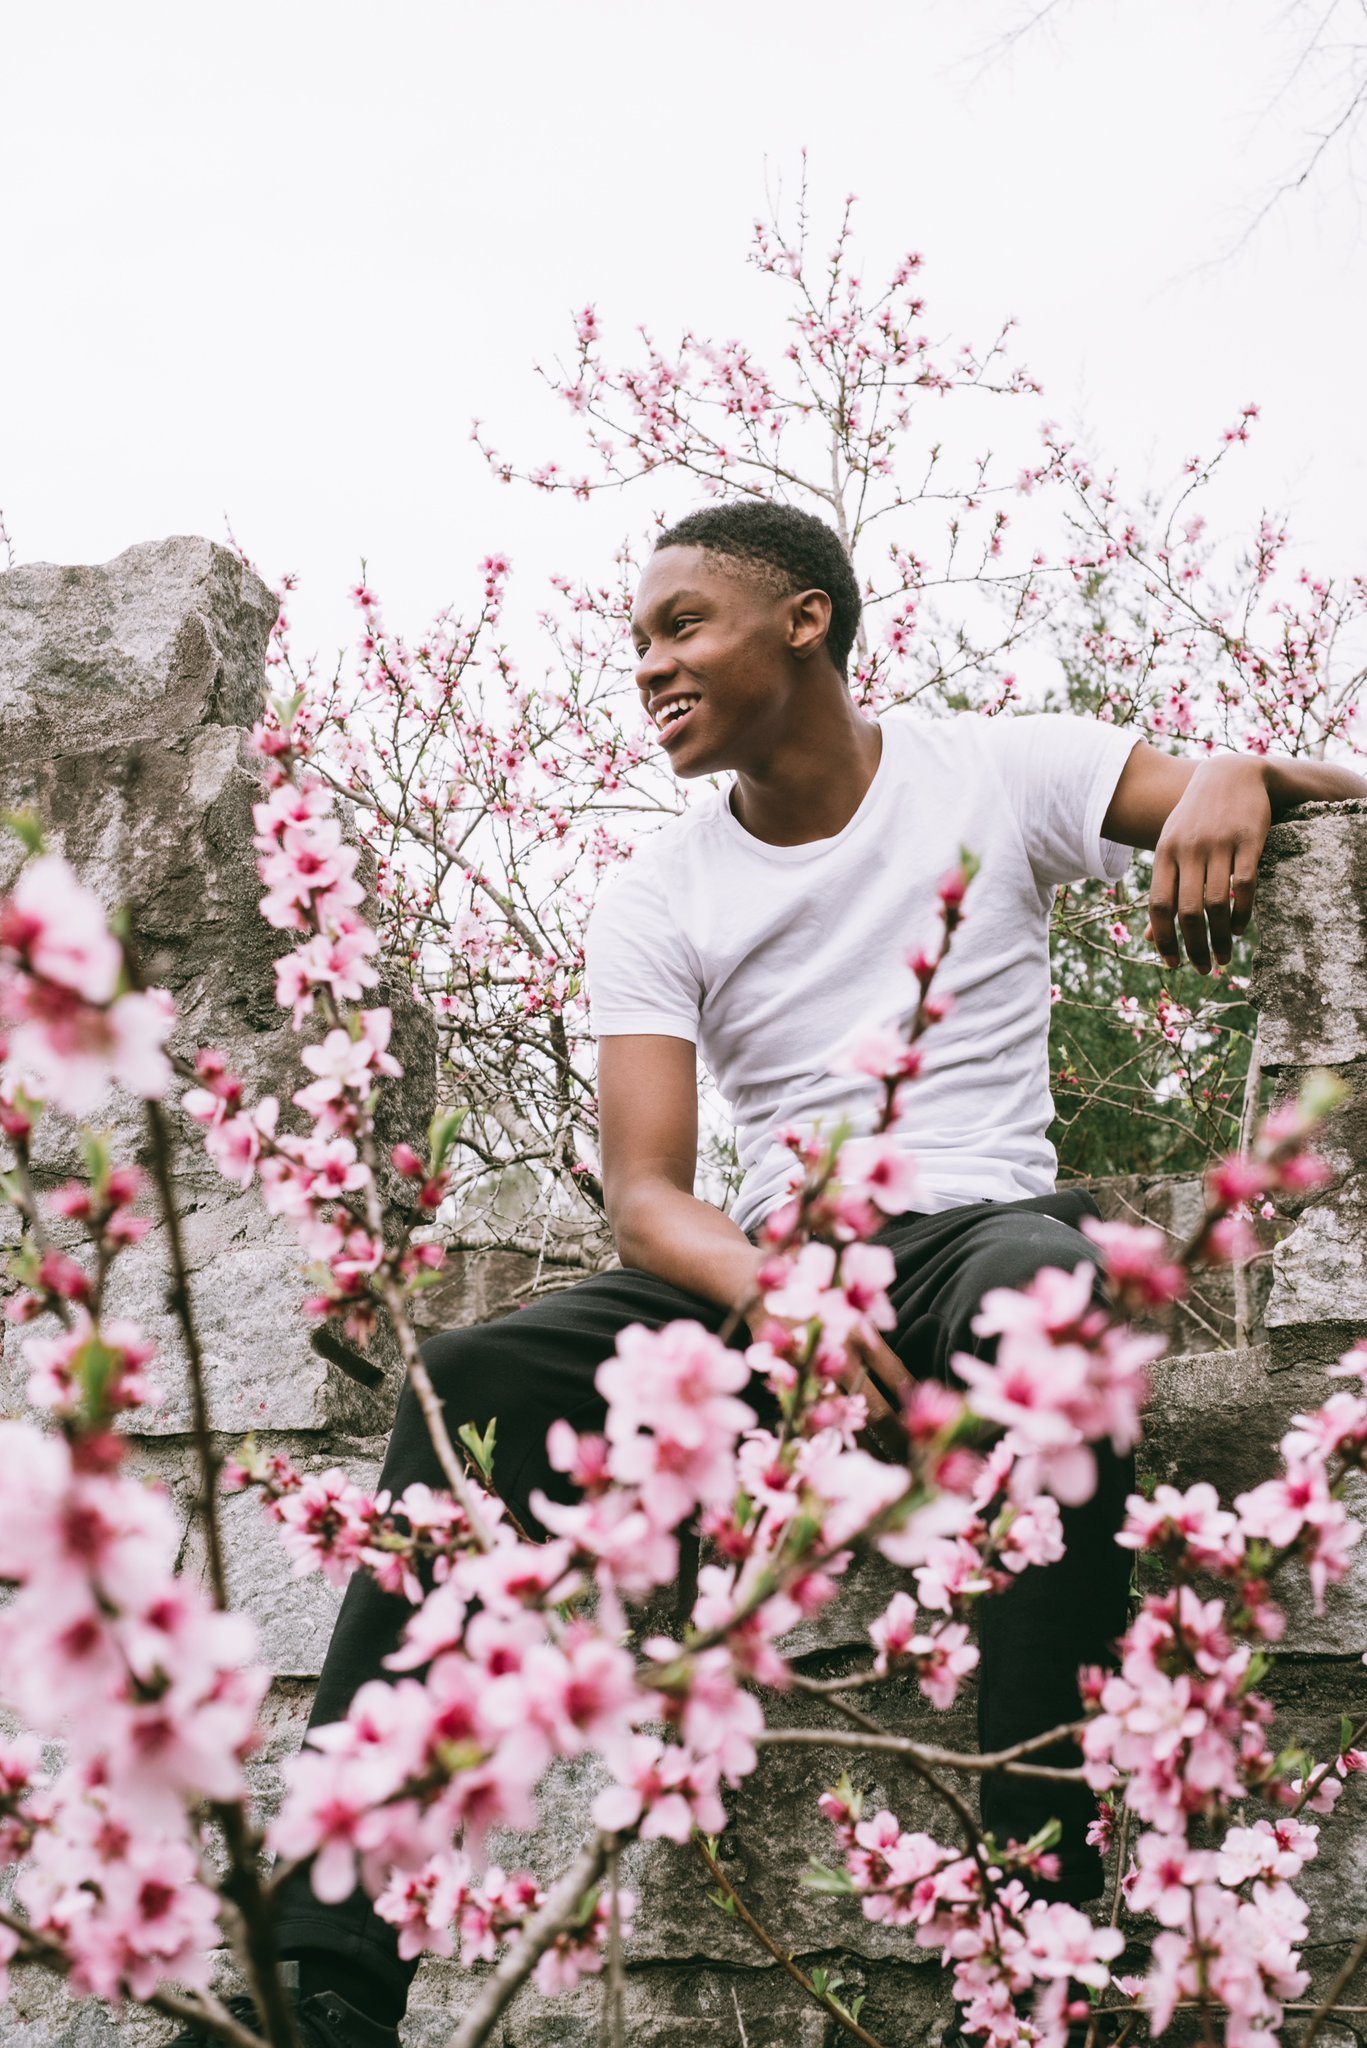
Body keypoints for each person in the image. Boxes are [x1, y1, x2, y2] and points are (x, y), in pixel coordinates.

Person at [176, 499, 1366, 2048]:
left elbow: (1337, 808)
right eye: (640, 644)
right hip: (764, 1272)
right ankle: (328, 1980)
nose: (651, 668)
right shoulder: (660, 894)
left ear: (804, 620)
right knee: (466, 1380)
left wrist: (1232, 771)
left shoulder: (997, 770)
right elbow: (648, 1196)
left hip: (971, 1242)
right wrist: (784, 1293)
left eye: (683, 627)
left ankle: (1033, 1927)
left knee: (1055, 1305)